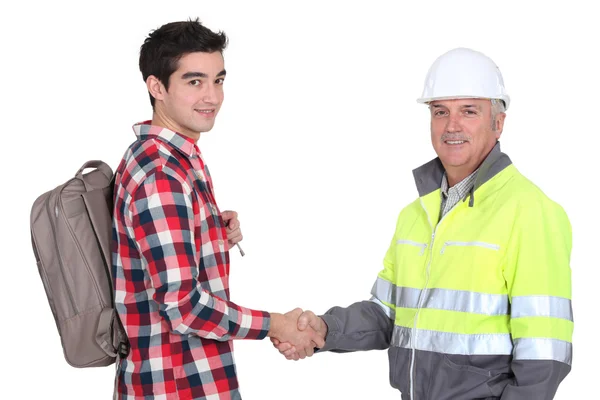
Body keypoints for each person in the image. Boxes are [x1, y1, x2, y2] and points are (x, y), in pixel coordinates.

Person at [273, 47, 573, 400]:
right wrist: (324, 328)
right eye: (440, 112)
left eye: (469, 112)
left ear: (499, 122)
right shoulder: (416, 215)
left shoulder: (531, 211)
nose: (452, 126)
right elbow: (386, 314)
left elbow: (544, 356)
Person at [111, 19, 323, 399]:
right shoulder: (162, 175)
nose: (212, 96)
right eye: (194, 82)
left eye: (218, 80)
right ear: (156, 86)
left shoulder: (172, 159)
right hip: (177, 385)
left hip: (189, 379)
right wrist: (275, 324)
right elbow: (184, 307)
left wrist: (209, 231)